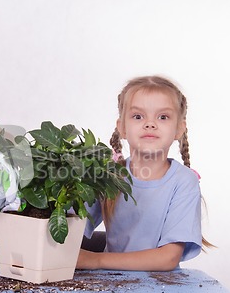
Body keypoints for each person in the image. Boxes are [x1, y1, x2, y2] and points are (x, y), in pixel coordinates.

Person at [76, 75, 212, 271]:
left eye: (162, 117)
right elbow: (72, 224)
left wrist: (95, 260)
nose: (150, 124)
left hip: (160, 288)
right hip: (109, 284)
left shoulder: (183, 181)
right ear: (122, 127)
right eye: (138, 116)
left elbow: (168, 257)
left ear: (179, 129)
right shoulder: (108, 175)